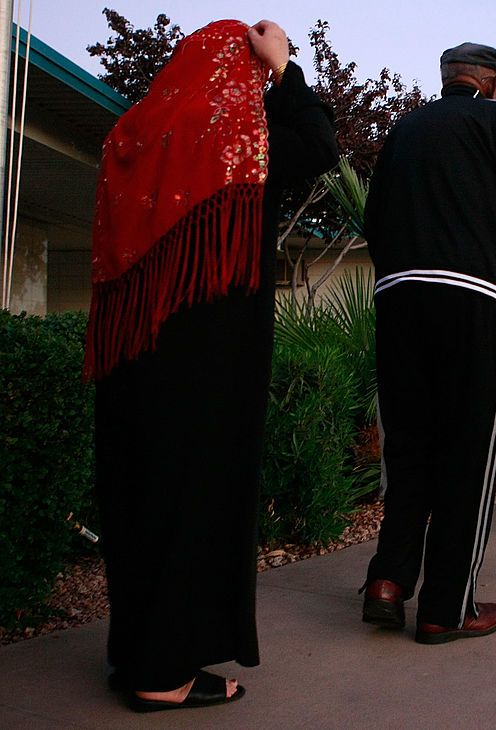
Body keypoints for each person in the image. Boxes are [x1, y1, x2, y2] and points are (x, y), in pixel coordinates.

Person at [87, 19, 339, 711]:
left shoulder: (131, 137)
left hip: (130, 358)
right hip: (207, 362)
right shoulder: (237, 137)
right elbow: (319, 145)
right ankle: (161, 673)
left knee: (138, 498)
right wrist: (286, 68)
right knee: (195, 497)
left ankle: (136, 653)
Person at [361, 42, 496, 644]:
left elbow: (375, 216)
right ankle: (445, 608)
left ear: (448, 79)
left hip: (398, 297)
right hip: (470, 298)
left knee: (409, 446)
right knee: (469, 453)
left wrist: (401, 273)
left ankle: (388, 581)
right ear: (492, 83)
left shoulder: (406, 126)